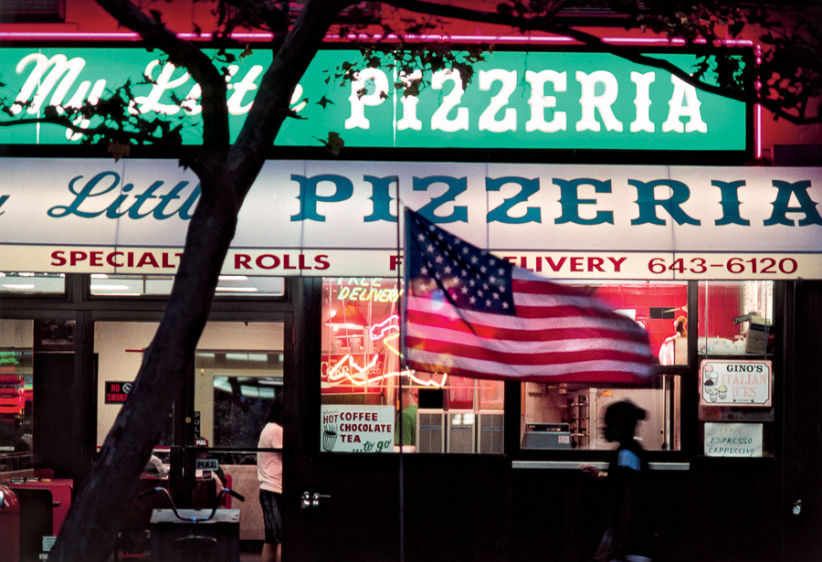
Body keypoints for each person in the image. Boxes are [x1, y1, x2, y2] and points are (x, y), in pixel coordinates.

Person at [594, 400, 654, 562]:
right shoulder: (631, 451)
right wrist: (601, 475)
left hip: (631, 542)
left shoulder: (626, 454)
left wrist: (619, 544)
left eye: (607, 423)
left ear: (619, 426)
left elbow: (628, 496)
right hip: (634, 540)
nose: (603, 428)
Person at [258, 394, 284, 562]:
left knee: (271, 540)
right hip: (275, 488)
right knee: (283, 538)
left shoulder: (268, 427)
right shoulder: (276, 430)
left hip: (268, 489)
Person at [394, 386, 418, 452]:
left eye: (398, 397)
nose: (397, 401)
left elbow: (404, 449)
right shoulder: (418, 411)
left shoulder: (404, 415)